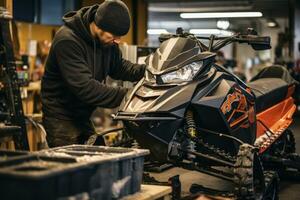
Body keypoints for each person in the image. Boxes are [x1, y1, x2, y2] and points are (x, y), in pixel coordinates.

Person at [41, 0, 146, 147]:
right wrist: (131, 96)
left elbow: (119, 67)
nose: (118, 41)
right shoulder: (67, 41)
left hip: (82, 115)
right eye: (114, 35)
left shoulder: (108, 43)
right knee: (70, 167)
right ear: (98, 25)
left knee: (94, 161)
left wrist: (148, 71)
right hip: (60, 117)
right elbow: (85, 88)